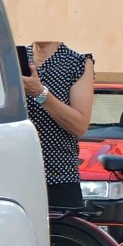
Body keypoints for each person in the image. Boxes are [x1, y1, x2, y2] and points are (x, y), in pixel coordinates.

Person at [22, 40, 95, 208]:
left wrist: (40, 94)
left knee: (64, 234)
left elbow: (80, 126)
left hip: (58, 176)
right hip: (17, 176)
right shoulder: (13, 58)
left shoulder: (77, 62)